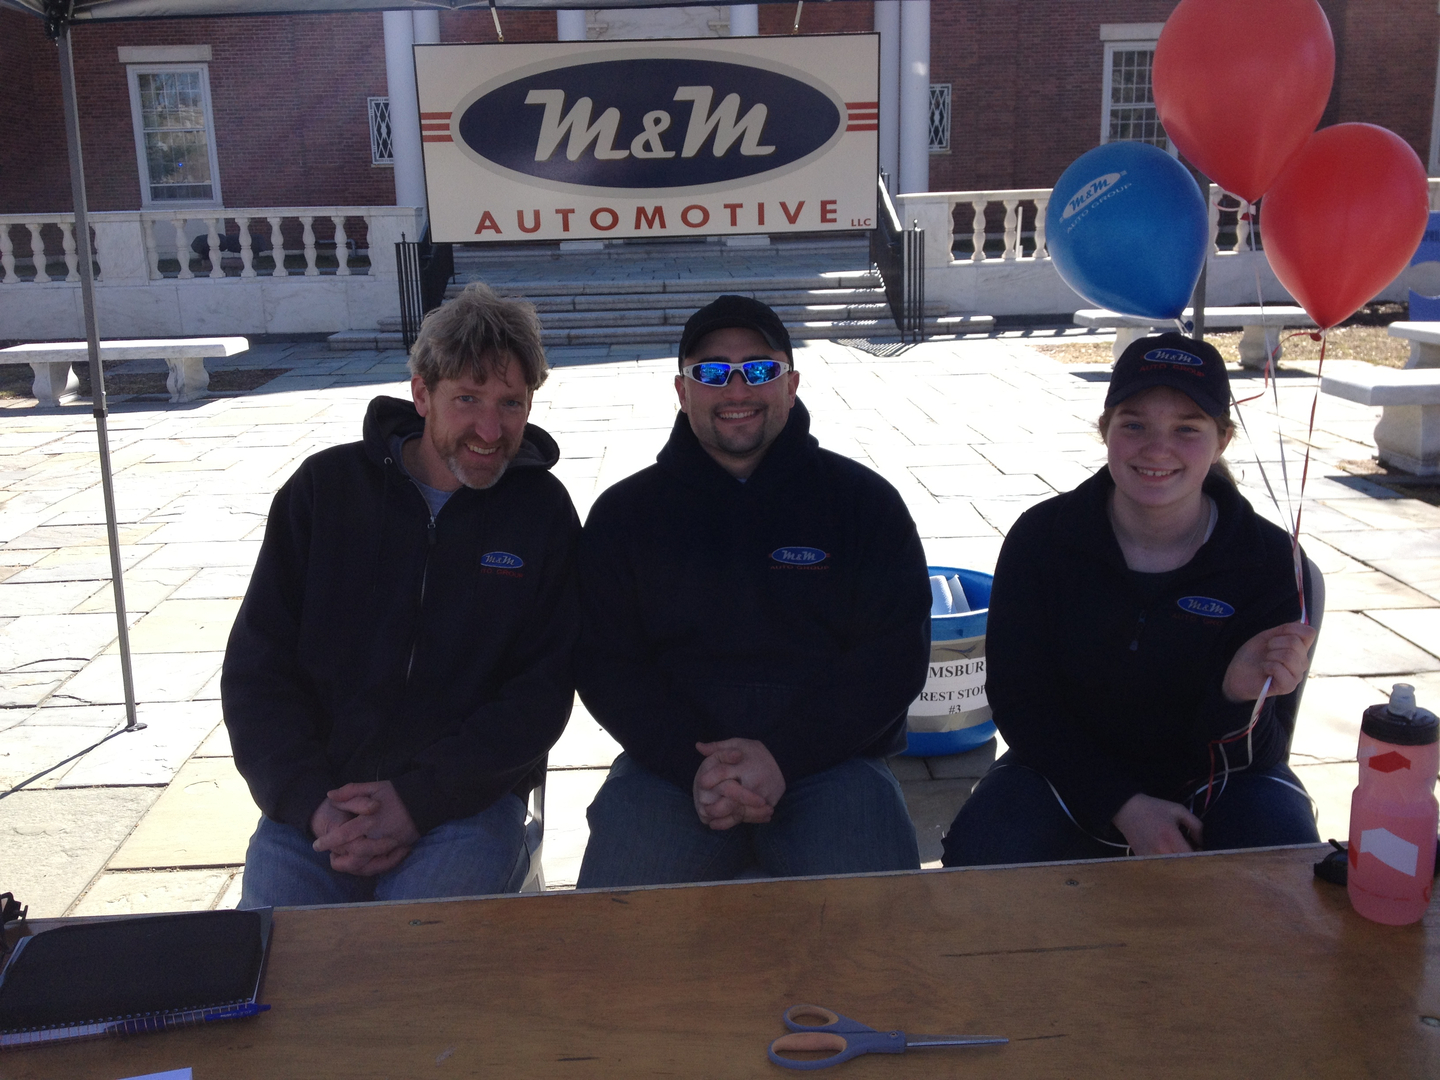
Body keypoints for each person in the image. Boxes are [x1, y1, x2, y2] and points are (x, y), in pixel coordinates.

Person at [223, 283, 580, 906]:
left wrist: (418, 800)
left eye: (511, 404)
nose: (491, 429)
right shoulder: (324, 492)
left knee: (416, 967)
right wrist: (312, 805)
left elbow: (542, 691)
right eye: (467, 399)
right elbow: (259, 671)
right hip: (320, 805)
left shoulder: (541, 513)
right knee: (279, 967)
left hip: (463, 805)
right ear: (422, 393)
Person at [573, 294, 932, 888]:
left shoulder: (863, 504)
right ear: (682, 391)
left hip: (830, 765)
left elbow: (892, 658)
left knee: (878, 937)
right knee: (617, 943)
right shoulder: (625, 515)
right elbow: (607, 664)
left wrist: (783, 758)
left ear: (791, 385)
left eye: (760, 369)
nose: (737, 389)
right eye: (712, 372)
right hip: (673, 772)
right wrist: (696, 767)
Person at [942, 332, 1320, 866]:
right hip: (1068, 770)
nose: (1156, 448)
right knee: (982, 853)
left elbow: (1262, 755)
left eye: (1187, 429)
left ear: (1222, 441)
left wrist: (1235, 699)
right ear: (1106, 430)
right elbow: (1021, 701)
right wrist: (1122, 804)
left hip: (1219, 778)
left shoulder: (1269, 560)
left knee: (1284, 866)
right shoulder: (1042, 539)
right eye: (1134, 424)